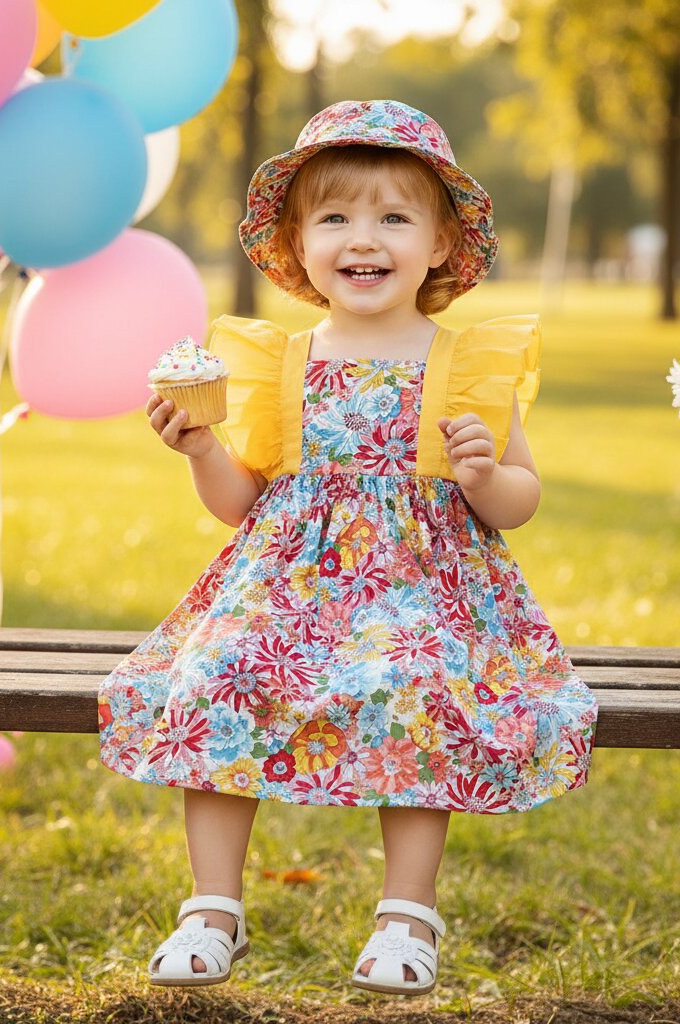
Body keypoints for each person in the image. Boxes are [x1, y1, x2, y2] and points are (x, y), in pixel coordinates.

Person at [97, 99, 599, 996]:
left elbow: (519, 502)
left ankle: (407, 913)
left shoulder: (467, 365)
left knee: (421, 685)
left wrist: (485, 476)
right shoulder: (275, 365)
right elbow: (239, 504)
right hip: (287, 597)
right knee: (219, 673)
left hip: (422, 600)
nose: (362, 238)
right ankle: (213, 907)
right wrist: (204, 451)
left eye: (393, 217)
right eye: (334, 217)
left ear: (443, 244)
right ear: (297, 243)